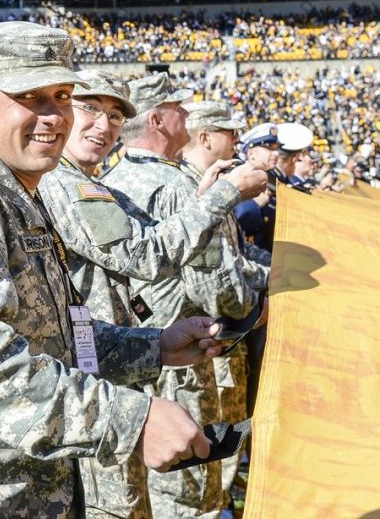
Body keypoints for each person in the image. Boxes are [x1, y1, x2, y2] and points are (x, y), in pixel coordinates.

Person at [0, 22, 229, 518]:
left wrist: (152, 346)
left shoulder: (21, 195)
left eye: (61, 95)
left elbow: (52, 337)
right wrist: (129, 420)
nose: (54, 116)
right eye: (29, 96)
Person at [38, 71, 266, 519]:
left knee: (138, 498)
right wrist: (223, 195)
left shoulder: (99, 181)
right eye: (89, 109)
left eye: (115, 115)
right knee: (132, 503)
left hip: (115, 362)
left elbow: (147, 238)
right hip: (94, 382)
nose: (104, 126)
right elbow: (146, 254)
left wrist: (154, 346)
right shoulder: (66, 184)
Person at [102, 76, 263, 519]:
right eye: (178, 108)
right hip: (186, 352)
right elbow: (214, 285)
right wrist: (253, 306)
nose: (187, 117)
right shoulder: (173, 187)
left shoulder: (111, 178)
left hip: (138, 349)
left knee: (162, 484)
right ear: (156, 118)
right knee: (196, 489)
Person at [178, 101, 274, 511]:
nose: (237, 140)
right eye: (229, 133)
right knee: (211, 451)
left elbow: (237, 259)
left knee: (227, 443)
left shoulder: (212, 185)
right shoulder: (190, 189)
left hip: (220, 340)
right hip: (207, 341)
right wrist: (254, 306)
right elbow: (216, 280)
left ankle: (227, 499)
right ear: (204, 137)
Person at [233, 122, 282, 253]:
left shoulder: (272, 179)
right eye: (270, 148)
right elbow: (240, 222)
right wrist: (255, 204)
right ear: (251, 154)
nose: (276, 153)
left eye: (276, 148)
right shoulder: (238, 177)